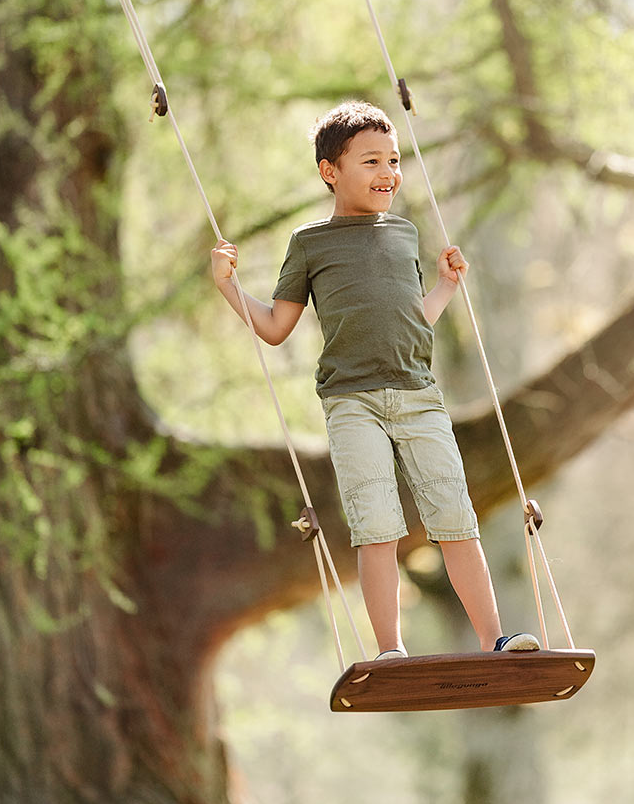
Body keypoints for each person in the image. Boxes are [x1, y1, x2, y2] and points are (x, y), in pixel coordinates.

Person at [211, 100, 539, 660]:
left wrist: (443, 288)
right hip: (351, 402)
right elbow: (274, 328)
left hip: (418, 395)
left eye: (393, 160)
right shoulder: (311, 244)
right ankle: (390, 650)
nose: (387, 173)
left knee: (455, 517)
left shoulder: (404, 234)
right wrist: (227, 285)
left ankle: (494, 639)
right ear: (329, 171)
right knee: (376, 524)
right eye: (370, 161)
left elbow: (411, 320)